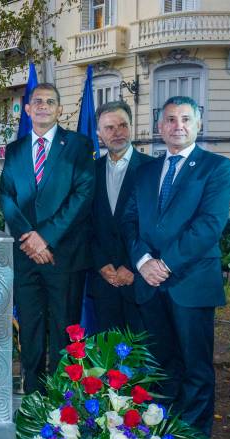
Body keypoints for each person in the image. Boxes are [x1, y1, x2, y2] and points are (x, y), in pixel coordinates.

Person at [121, 95, 230, 437]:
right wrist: (143, 263)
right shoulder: (145, 171)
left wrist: (164, 264)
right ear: (160, 127)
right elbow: (129, 221)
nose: (178, 126)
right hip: (149, 285)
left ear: (198, 125)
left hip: (190, 282)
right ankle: (161, 438)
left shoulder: (216, 167)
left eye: (186, 119)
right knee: (159, 365)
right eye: (170, 119)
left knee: (196, 368)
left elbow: (209, 225)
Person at [0, 83, 95, 394]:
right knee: (30, 328)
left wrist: (46, 237)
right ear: (27, 109)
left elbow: (83, 195)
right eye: (36, 101)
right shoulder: (14, 150)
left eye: (50, 102)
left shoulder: (79, 146)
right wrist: (30, 239)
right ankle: (33, 395)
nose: (42, 106)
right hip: (26, 257)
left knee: (63, 330)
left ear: (59, 109)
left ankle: (60, 397)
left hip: (63, 256)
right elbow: (7, 197)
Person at [89, 101, 149, 334]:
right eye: (110, 127)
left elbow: (152, 227)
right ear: (99, 133)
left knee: (141, 354)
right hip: (103, 278)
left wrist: (131, 265)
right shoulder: (90, 171)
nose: (117, 133)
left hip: (138, 277)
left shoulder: (152, 169)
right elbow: (86, 224)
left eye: (123, 125)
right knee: (107, 356)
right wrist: (101, 264)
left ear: (131, 127)